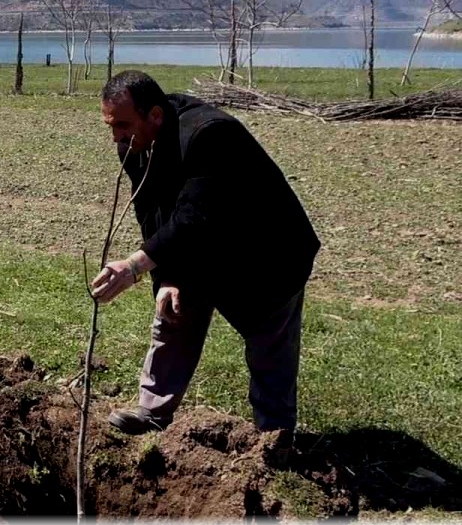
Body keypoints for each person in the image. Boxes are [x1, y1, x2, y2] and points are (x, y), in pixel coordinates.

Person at [90, 70, 320, 437]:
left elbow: (195, 216)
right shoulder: (135, 145)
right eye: (110, 125)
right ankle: (152, 412)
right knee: (173, 315)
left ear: (155, 116)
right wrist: (167, 277)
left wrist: (133, 266)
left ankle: (274, 436)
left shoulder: (209, 134)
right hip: (203, 242)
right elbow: (152, 213)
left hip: (265, 250)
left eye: (122, 124)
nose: (115, 135)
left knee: (269, 344)